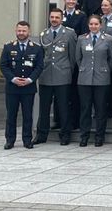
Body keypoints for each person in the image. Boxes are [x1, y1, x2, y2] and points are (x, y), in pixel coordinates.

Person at [34, 8, 77, 146]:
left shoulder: (69, 34)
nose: (54, 19)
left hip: (62, 75)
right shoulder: (44, 34)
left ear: (62, 18)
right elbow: (41, 55)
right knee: (44, 108)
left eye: (57, 17)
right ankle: (42, 134)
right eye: (52, 17)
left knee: (63, 106)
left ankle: (65, 134)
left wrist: (67, 71)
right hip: (46, 74)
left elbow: (73, 57)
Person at [0, 21, 44, 149]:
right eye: (19, 31)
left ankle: (27, 140)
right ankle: (10, 140)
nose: (21, 33)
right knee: (11, 115)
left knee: (27, 115)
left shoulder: (36, 48)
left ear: (28, 32)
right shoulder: (8, 47)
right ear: (16, 31)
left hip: (28, 88)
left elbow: (39, 66)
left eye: (24, 31)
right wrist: (13, 79)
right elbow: (4, 66)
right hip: (12, 87)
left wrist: (30, 79)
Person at [76, 15, 112, 147]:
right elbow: (78, 58)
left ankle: (99, 136)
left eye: (96, 24)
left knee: (100, 109)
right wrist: (85, 68)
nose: (93, 26)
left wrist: (104, 69)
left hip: (101, 79)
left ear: (100, 25)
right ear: (88, 25)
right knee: (85, 109)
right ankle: (84, 136)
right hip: (85, 78)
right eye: (91, 24)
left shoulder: (108, 39)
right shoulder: (82, 39)